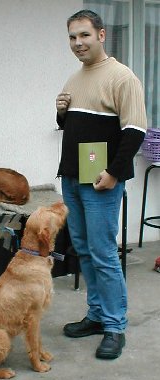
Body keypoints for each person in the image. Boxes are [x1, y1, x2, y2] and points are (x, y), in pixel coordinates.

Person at [56, 9, 147, 359]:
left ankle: (114, 326)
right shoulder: (75, 78)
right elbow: (74, 127)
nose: (78, 43)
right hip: (73, 177)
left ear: (101, 35)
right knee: (84, 250)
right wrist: (61, 112)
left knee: (105, 254)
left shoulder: (123, 78)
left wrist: (113, 173)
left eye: (84, 36)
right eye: (72, 37)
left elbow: (135, 131)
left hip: (101, 183)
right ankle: (95, 316)